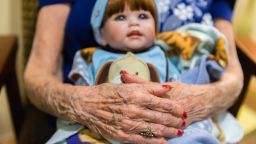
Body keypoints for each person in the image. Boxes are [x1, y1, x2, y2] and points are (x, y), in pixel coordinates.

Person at [24, 0, 243, 144]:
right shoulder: (93, 57)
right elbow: (44, 72)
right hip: (98, 123)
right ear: (101, 35)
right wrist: (86, 102)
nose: (133, 23)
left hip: (174, 124)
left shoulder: (167, 53)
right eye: (120, 18)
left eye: (143, 17)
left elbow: (224, 72)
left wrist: (198, 86)